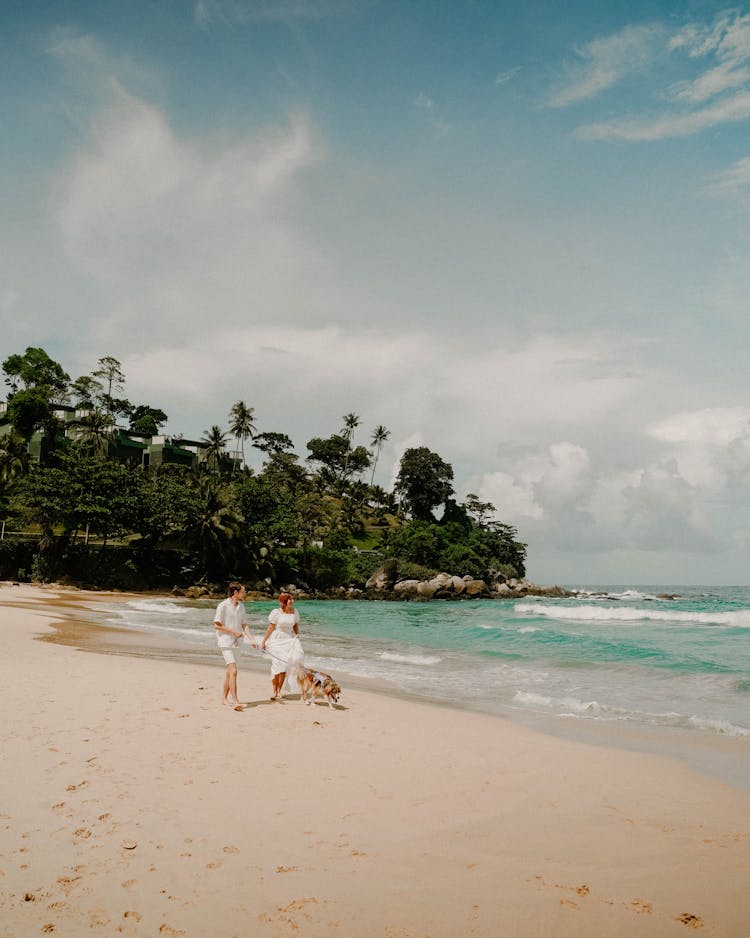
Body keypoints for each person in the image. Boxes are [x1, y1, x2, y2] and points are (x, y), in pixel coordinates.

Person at [214, 582, 253, 711]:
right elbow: (217, 625)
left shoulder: (241, 606)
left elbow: (244, 624)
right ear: (235, 593)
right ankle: (236, 701)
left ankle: (224, 699)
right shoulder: (223, 606)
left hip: (238, 643)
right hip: (225, 642)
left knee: (229, 672)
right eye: (243, 591)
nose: (245, 594)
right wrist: (233, 632)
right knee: (234, 671)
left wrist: (252, 639)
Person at [261, 592, 304, 700]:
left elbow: (295, 625)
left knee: (285, 667)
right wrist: (264, 641)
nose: (292, 600)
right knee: (276, 666)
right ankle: (274, 691)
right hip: (277, 640)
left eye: (292, 599)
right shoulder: (276, 612)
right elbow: (271, 627)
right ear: (284, 601)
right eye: (290, 599)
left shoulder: (295, 612)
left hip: (289, 641)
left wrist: (297, 635)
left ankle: (279, 691)